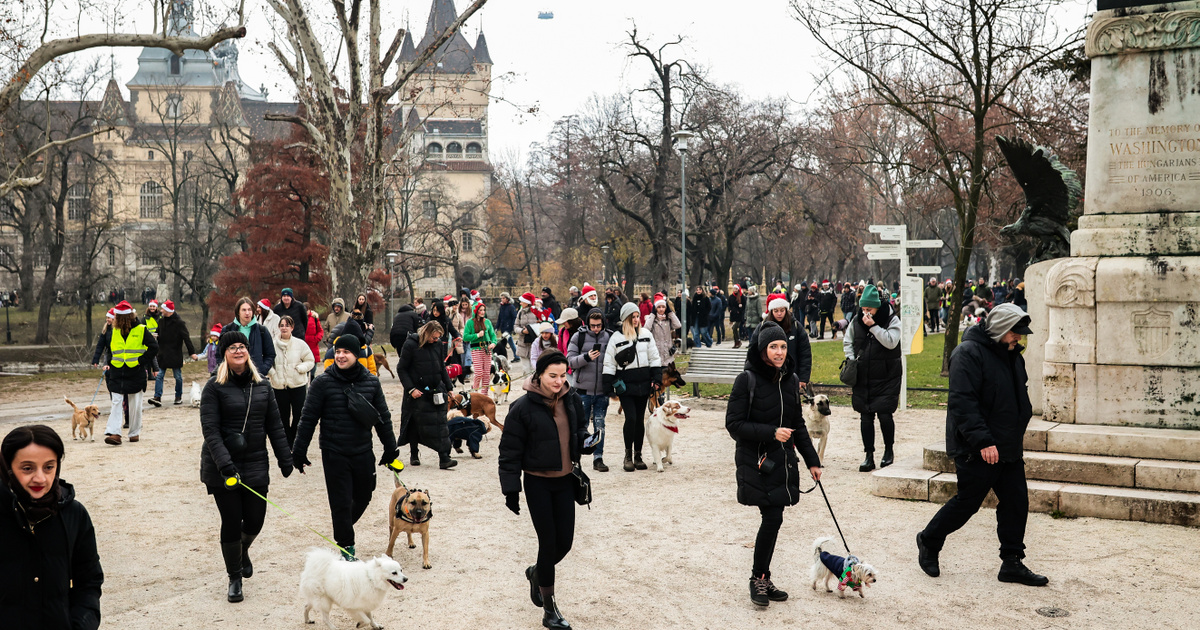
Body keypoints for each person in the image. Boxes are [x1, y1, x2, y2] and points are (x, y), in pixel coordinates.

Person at [917, 304, 1046, 586]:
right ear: (1000, 329)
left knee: (1016, 502)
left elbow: (1016, 395)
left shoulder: (1012, 356)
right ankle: (929, 540)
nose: (1019, 339)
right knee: (968, 503)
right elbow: (963, 403)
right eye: (1016, 333)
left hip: (1008, 444)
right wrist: (984, 441)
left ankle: (1012, 562)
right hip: (978, 447)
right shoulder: (967, 354)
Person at [498, 350, 597, 630]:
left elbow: (578, 431)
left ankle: (536, 574)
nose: (558, 381)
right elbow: (509, 452)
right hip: (537, 482)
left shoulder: (571, 398)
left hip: (566, 479)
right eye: (552, 375)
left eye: (563, 375)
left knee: (564, 543)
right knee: (548, 542)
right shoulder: (521, 408)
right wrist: (511, 489)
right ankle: (550, 609)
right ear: (539, 374)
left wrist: (586, 442)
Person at [725, 321, 822, 607]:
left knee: (774, 518)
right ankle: (759, 579)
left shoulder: (791, 380)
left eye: (782, 346)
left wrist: (812, 461)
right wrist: (770, 432)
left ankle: (763, 577)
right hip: (755, 460)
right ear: (762, 349)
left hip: (781, 461)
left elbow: (797, 425)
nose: (779, 352)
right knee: (773, 517)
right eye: (773, 347)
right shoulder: (747, 379)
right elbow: (733, 424)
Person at [199, 331, 294, 602]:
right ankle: (234, 577)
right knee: (231, 519)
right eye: (232, 348)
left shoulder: (262, 385)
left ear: (248, 352)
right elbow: (211, 430)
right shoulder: (213, 388)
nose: (238, 351)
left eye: (242, 347)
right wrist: (225, 465)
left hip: (254, 461)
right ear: (224, 354)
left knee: (255, 519)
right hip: (221, 466)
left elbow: (275, 425)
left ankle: (241, 550)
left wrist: (284, 458)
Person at [293, 334, 398, 560]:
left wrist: (390, 449)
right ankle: (346, 547)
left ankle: (342, 528)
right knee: (340, 502)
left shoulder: (371, 381)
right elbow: (308, 418)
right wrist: (299, 451)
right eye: (337, 352)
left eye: (346, 352)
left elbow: (383, 418)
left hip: (362, 450)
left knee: (365, 494)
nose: (340, 356)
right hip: (334, 452)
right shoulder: (322, 383)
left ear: (357, 355)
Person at [0, 425, 104, 629]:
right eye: (27, 468)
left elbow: (89, 581)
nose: (40, 478)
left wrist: (81, 624)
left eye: (49, 467)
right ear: (8, 468)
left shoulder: (74, 514)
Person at [842, 285, 902, 472]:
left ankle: (888, 451)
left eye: (870, 309)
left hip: (887, 375)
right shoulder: (856, 320)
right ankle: (869, 455)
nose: (866, 312)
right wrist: (852, 361)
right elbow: (848, 341)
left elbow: (891, 342)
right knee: (865, 416)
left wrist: (874, 327)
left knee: (884, 414)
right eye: (864, 309)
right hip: (863, 375)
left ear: (877, 307)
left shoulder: (891, 319)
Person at [603, 302, 663, 472]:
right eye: (633, 317)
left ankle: (638, 455)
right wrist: (608, 385)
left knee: (639, 420)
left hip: (644, 384)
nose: (636, 319)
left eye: (637, 316)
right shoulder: (616, 337)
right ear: (626, 319)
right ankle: (627, 455)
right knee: (631, 419)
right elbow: (609, 362)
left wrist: (656, 378)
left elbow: (654, 357)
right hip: (626, 386)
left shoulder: (646, 334)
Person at [95, 301, 158, 445]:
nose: (114, 319)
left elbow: (154, 347)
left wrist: (140, 361)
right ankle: (115, 433)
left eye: (117, 317)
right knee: (116, 402)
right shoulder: (114, 331)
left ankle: (134, 433)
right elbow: (110, 350)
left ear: (124, 318)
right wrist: (108, 364)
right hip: (117, 372)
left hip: (135, 372)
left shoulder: (141, 330)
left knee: (135, 404)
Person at [397, 321, 457, 469]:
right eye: (433, 337)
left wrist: (449, 387)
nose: (435, 340)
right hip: (417, 392)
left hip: (437, 390)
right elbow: (401, 368)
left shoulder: (437, 345)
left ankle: (444, 458)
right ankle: (414, 453)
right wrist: (411, 389)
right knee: (415, 423)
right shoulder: (410, 345)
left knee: (441, 424)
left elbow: (441, 367)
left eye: (438, 338)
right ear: (426, 334)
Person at [567, 308, 613, 472]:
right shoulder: (578, 337)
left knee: (600, 426)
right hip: (582, 391)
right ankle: (575, 458)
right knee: (581, 426)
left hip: (602, 391)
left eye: (598, 325)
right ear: (587, 323)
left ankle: (598, 458)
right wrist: (586, 357)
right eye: (592, 325)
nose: (595, 329)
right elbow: (570, 362)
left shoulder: (609, 336)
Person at [269, 316, 316, 446]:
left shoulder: (300, 344)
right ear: (279, 327)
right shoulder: (272, 344)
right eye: (282, 325)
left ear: (292, 327)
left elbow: (310, 360)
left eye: (287, 325)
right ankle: (287, 443)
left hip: (298, 385)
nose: (284, 327)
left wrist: (301, 369)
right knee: (282, 417)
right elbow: (267, 363)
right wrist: (273, 375)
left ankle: (295, 440)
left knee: (299, 415)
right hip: (279, 386)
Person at [759, 293, 812, 390]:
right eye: (776, 311)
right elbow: (754, 350)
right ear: (771, 311)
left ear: (786, 310)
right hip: (767, 375)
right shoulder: (763, 326)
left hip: (791, 375)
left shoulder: (796, 326)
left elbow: (805, 352)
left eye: (782, 310)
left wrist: (803, 378)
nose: (779, 313)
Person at [151, 300, 197, 406]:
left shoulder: (179, 323)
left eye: (163, 309)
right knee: (159, 376)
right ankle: (157, 397)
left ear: (168, 311)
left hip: (175, 354)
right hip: (162, 353)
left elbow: (186, 338)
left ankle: (178, 396)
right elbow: (158, 332)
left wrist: (192, 353)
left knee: (178, 376)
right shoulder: (161, 321)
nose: (161, 311)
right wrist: (154, 336)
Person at [228, 297, 277, 376]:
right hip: (232, 376)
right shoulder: (228, 330)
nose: (247, 313)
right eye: (244, 310)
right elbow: (219, 354)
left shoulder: (262, 330)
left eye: (249, 310)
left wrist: (262, 370)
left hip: (255, 376)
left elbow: (270, 354)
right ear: (238, 312)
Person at [463, 301, 497, 395]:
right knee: (478, 373)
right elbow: (465, 337)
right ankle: (474, 392)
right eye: (480, 310)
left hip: (487, 349)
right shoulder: (470, 322)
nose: (483, 312)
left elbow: (493, 336)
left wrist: (493, 344)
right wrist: (477, 335)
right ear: (476, 311)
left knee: (486, 374)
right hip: (476, 349)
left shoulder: (487, 322)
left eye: (484, 310)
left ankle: (484, 395)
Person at [645, 295, 681, 363]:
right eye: (659, 307)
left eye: (663, 307)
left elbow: (678, 325)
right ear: (655, 308)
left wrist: (670, 312)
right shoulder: (652, 319)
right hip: (655, 355)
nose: (661, 309)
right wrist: (652, 314)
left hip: (667, 356)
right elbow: (646, 329)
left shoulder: (668, 320)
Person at [515, 293, 539, 364]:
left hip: (535, 344)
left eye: (522, 301)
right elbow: (516, 326)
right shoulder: (520, 312)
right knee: (526, 370)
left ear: (527, 302)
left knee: (534, 369)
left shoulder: (537, 312)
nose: (520, 303)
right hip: (523, 345)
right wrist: (522, 331)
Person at [303, 302, 324, 376]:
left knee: (313, 371)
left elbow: (320, 331)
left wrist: (316, 339)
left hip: (313, 346)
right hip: (304, 345)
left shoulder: (314, 318)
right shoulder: (300, 318)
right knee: (304, 371)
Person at [497, 293, 518, 359]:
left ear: (507, 299)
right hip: (503, 327)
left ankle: (516, 356)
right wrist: (497, 327)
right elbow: (500, 318)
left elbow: (514, 317)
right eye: (501, 298)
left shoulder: (511, 307)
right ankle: (514, 356)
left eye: (503, 298)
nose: (502, 299)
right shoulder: (502, 307)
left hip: (508, 327)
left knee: (510, 342)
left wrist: (512, 328)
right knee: (506, 343)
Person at [727, 285, 745, 349]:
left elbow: (744, 306)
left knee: (735, 328)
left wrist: (740, 309)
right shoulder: (731, 296)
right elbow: (729, 304)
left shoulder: (741, 296)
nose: (735, 290)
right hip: (733, 315)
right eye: (734, 289)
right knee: (734, 329)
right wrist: (730, 310)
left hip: (739, 316)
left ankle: (738, 340)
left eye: (736, 289)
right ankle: (736, 341)